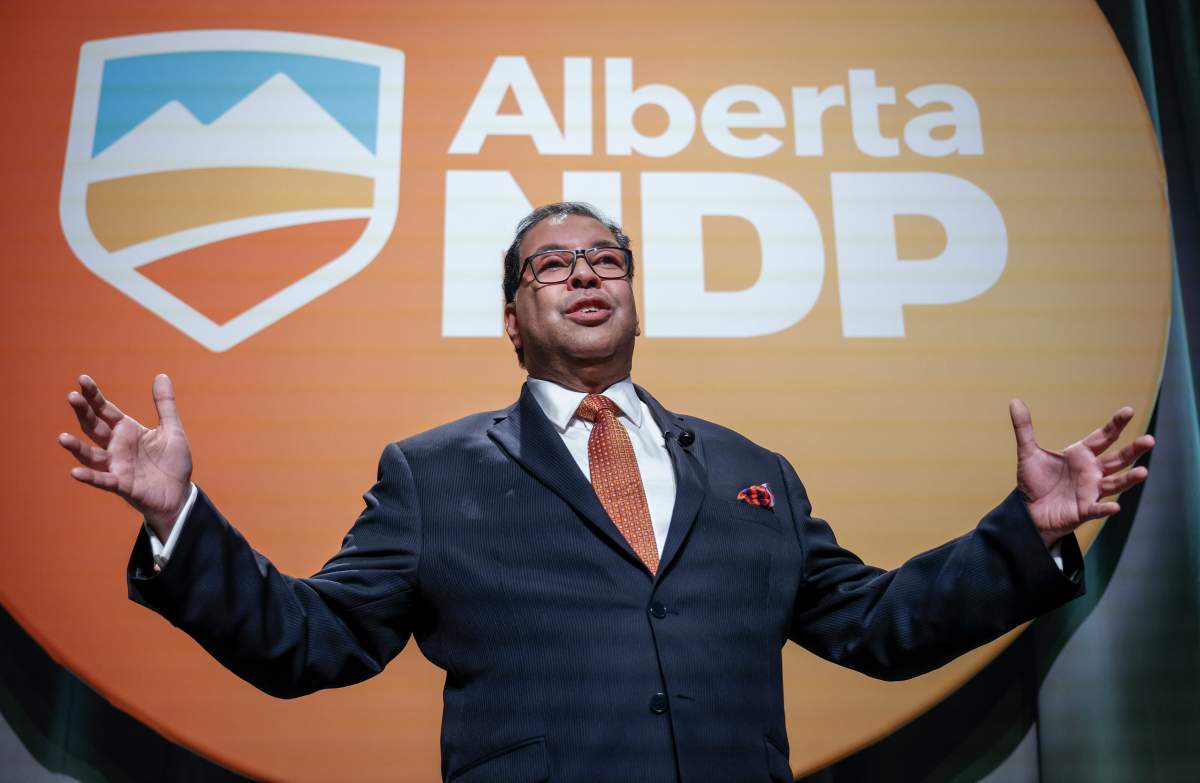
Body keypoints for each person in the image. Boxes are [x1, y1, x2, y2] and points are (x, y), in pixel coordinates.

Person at [59, 203, 1154, 783]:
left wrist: (1029, 535)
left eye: (609, 260)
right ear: (510, 317)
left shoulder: (750, 469)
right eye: (553, 264)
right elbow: (312, 642)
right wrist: (176, 520)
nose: (586, 275)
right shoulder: (431, 474)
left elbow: (877, 625)